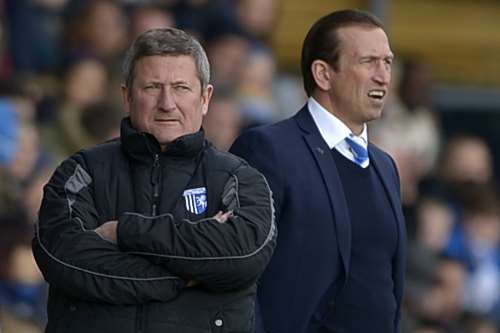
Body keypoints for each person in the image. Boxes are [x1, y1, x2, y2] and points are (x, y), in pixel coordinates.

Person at [32, 28, 276, 333]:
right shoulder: (81, 173)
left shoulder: (239, 179)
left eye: (181, 88)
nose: (167, 103)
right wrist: (185, 274)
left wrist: (124, 232)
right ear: (127, 96)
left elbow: (241, 256)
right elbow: (64, 259)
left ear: (205, 98)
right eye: (152, 87)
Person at [230, 9, 406, 333]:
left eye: (388, 62)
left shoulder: (385, 166)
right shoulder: (268, 150)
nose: (383, 76)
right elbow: (240, 274)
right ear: (323, 74)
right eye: (369, 62)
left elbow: (387, 284)